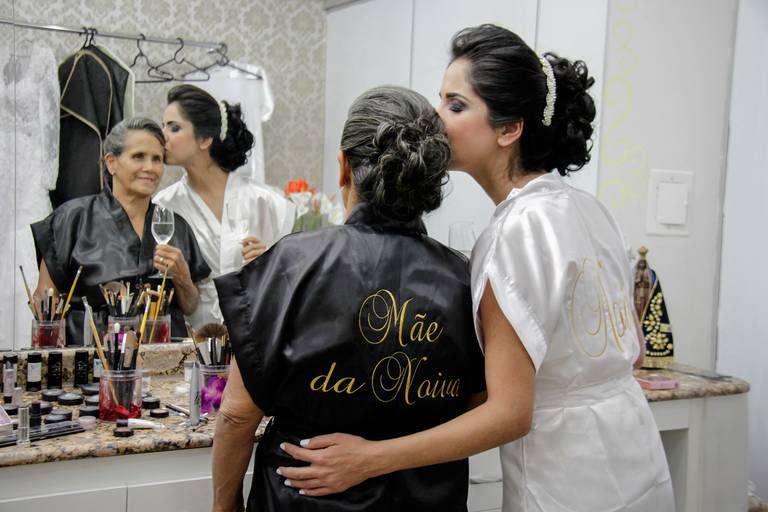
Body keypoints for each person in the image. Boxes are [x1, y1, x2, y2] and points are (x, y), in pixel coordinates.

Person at [277, 24, 675, 512]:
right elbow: (630, 352)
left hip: (569, 479)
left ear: (510, 129)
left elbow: (509, 414)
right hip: (635, 454)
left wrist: (372, 457)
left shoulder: (513, 232)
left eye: (455, 105)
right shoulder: (589, 208)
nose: (434, 119)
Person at [211, 86, 487, 512]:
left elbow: (236, 415)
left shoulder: (292, 264)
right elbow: (478, 402)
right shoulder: (466, 278)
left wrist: (223, 506)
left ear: (344, 167)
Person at [32, 118, 211, 343]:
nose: (150, 167)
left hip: (162, 362)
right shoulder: (72, 219)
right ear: (111, 162)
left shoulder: (177, 226)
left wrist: (182, 276)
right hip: (92, 356)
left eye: (157, 159)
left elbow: (190, 305)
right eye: (138, 157)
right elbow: (45, 296)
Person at [154, 84, 295, 328]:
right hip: (195, 335)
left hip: (254, 331)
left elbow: (291, 283)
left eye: (174, 128)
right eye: (163, 126)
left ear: (205, 139)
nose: (162, 136)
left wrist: (267, 264)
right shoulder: (164, 205)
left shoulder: (264, 202)